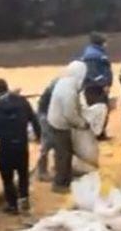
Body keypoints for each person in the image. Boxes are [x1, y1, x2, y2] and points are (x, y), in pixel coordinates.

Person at [0, 79, 41, 214]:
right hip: (21, 145)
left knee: (7, 178)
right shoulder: (22, 102)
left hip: (5, 147)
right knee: (23, 173)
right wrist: (39, 136)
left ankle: (12, 205)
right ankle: (24, 199)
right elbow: (34, 120)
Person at [47, 61, 90, 194]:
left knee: (65, 152)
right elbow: (69, 114)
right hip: (60, 124)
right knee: (63, 154)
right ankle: (60, 184)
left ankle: (66, 175)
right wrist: (82, 124)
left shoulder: (66, 82)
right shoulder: (69, 91)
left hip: (56, 120)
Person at [81, 32, 114, 140]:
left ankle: (100, 133)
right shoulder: (93, 55)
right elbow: (93, 73)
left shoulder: (97, 53)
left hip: (96, 86)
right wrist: (104, 84)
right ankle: (96, 134)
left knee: (103, 109)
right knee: (98, 110)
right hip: (94, 87)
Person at [35, 78, 57, 181]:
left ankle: (57, 168)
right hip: (45, 117)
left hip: (52, 116)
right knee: (48, 143)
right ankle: (42, 171)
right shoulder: (50, 94)